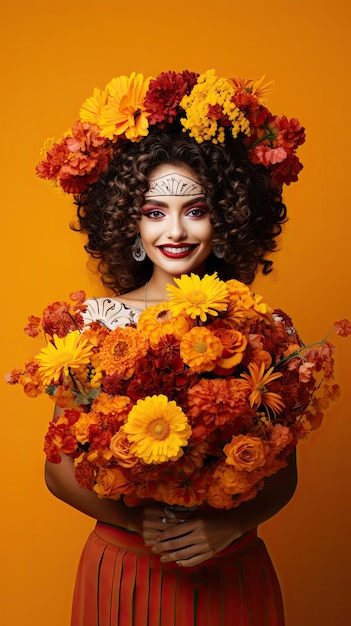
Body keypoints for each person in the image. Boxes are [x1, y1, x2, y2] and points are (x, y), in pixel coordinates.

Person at [39, 69, 305, 625]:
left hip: (231, 566)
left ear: (226, 218)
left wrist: (227, 525)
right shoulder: (95, 324)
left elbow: (285, 471)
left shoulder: (266, 327)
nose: (176, 231)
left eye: (196, 210)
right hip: (126, 568)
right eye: (155, 212)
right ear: (128, 223)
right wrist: (151, 529)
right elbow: (58, 470)